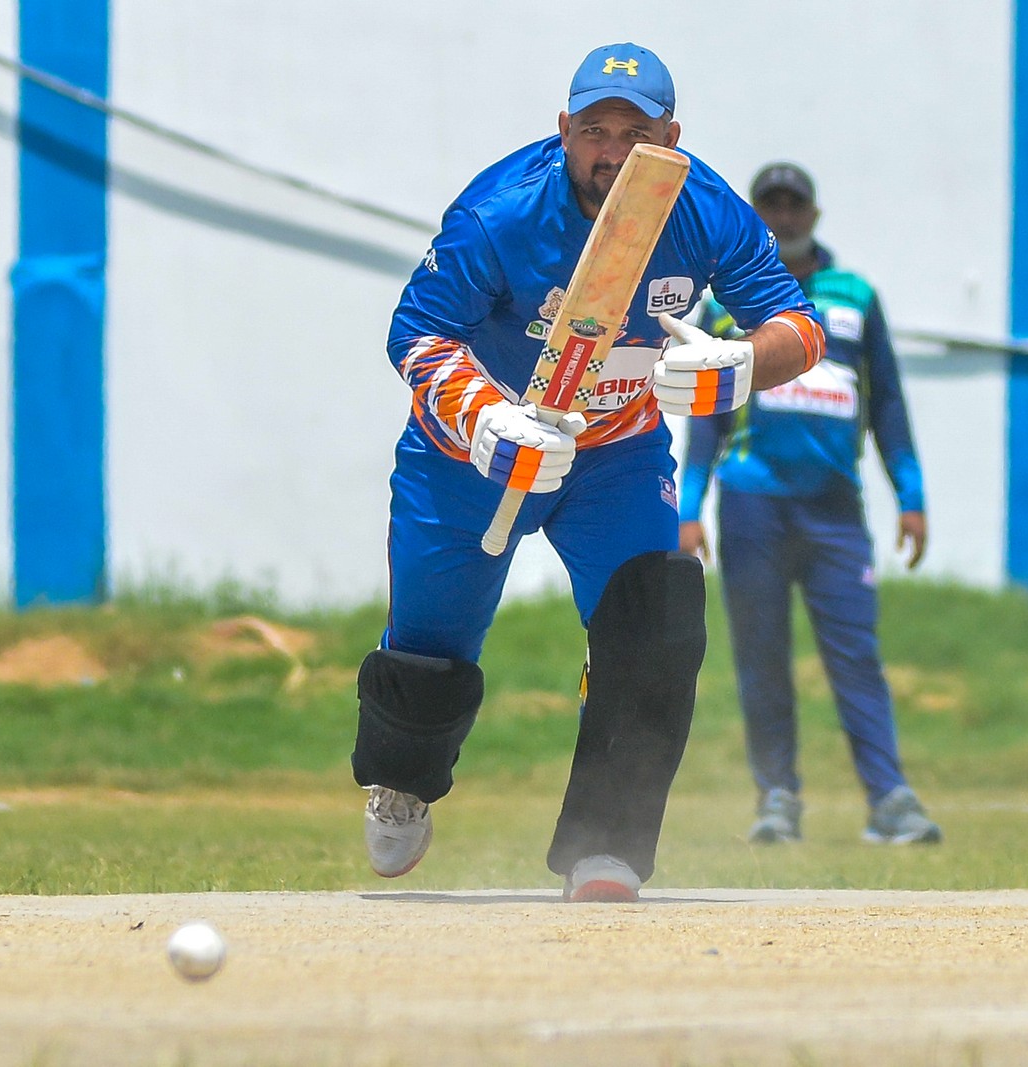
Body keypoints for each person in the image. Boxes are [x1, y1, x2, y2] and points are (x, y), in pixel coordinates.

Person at [354, 45, 826, 902]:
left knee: (655, 622)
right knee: (429, 652)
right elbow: (415, 332)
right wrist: (484, 416)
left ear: (671, 139)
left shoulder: (704, 208)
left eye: (635, 135)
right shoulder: (499, 212)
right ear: (565, 129)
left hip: (617, 452)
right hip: (468, 457)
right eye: (597, 131)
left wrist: (741, 365)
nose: (614, 152)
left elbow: (798, 323)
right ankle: (404, 781)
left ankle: (605, 844)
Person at [678, 161, 942, 846]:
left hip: (834, 508)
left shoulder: (855, 295)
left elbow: (887, 402)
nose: (784, 217)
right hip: (752, 505)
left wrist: (910, 496)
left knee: (856, 655)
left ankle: (890, 800)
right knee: (761, 657)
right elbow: (705, 415)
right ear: (753, 217)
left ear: (814, 215)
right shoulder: (725, 305)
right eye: (770, 206)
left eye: (795, 206)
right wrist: (688, 507)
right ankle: (777, 799)